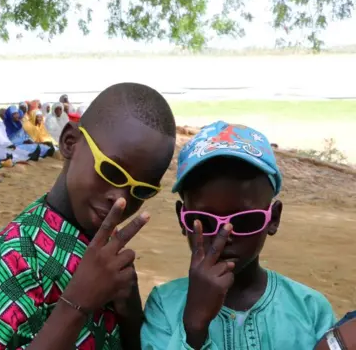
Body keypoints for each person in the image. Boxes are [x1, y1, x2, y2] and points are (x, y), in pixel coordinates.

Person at [0, 82, 177, 349]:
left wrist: (129, 311)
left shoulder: (105, 240)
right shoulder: (18, 253)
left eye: (141, 190)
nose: (121, 199)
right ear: (70, 142)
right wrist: (77, 302)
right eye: (111, 172)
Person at [140, 121, 336, 349]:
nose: (224, 235)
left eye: (244, 220)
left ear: (273, 219)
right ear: (182, 219)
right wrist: (193, 328)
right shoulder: (164, 305)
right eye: (203, 220)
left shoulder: (310, 309)